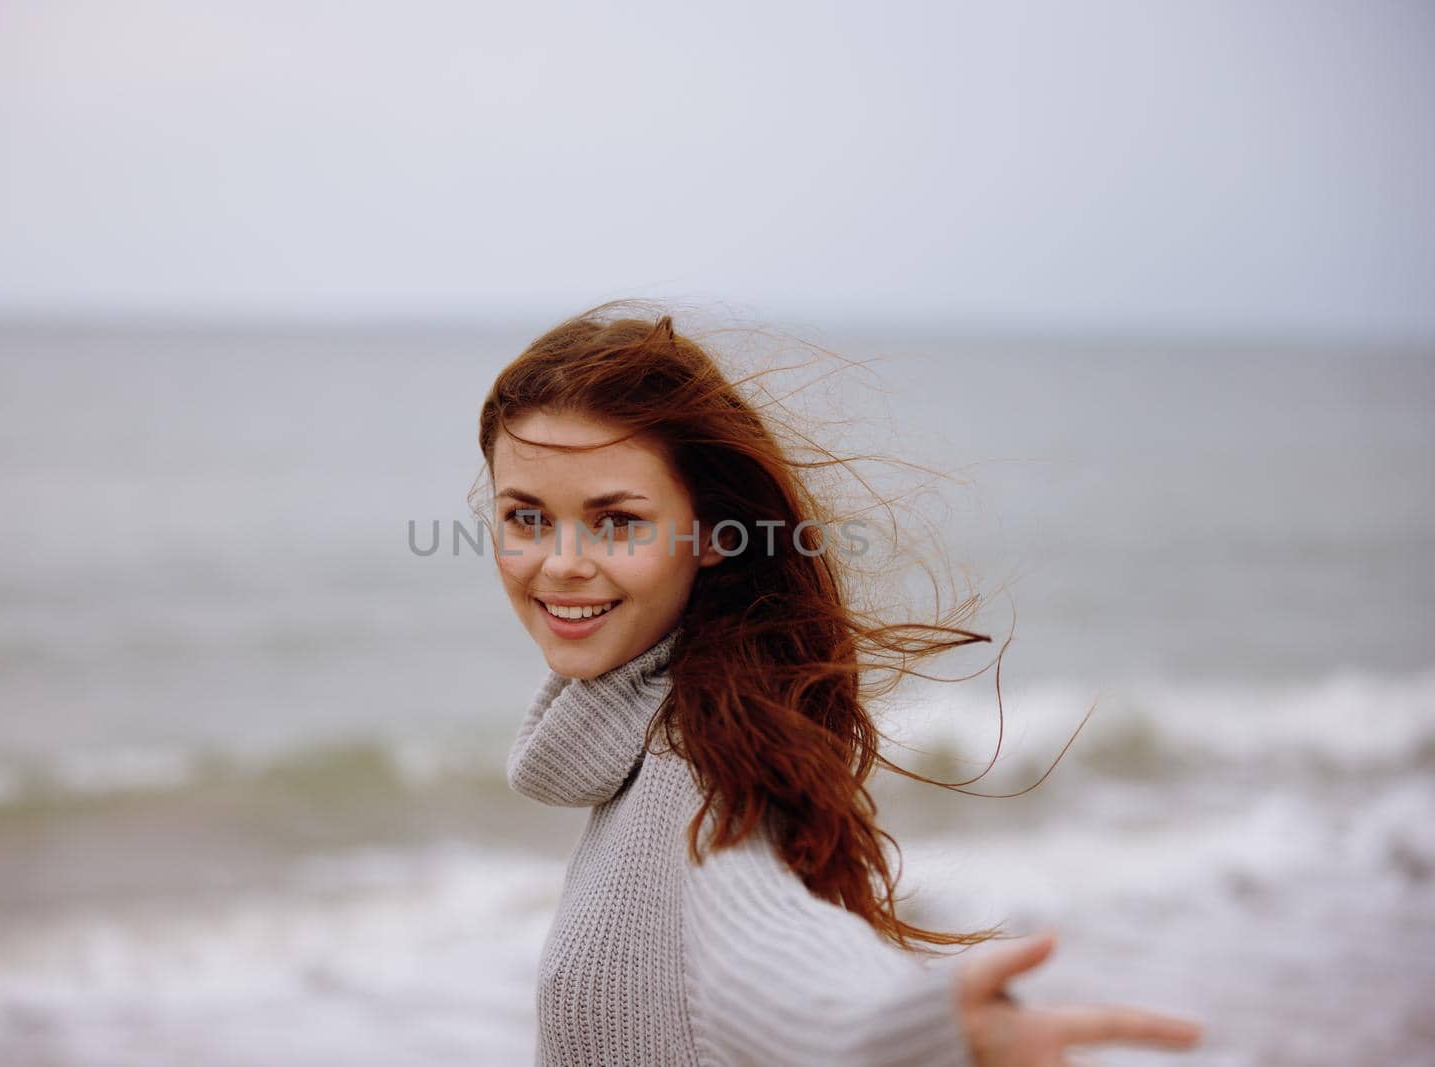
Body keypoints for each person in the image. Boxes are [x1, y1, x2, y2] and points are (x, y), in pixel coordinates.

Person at [474, 302, 1205, 1066]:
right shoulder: (652, 740)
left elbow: (774, 954)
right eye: (525, 518)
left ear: (719, 534)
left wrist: (927, 1031)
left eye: (617, 521)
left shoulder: (694, 766)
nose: (560, 562)